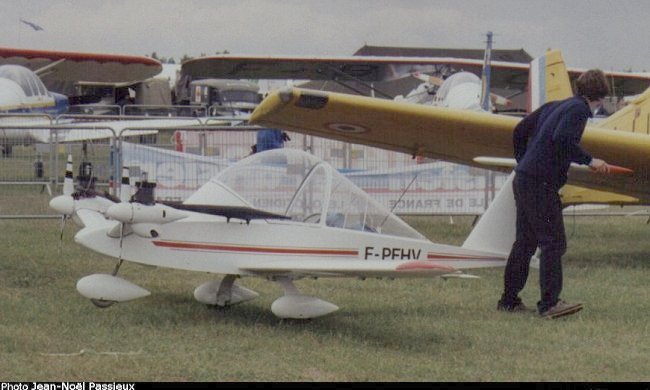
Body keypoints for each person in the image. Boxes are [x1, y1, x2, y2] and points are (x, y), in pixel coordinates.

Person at [497, 69, 611, 319]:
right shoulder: (580, 110)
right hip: (541, 184)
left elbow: (519, 130)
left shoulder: (554, 106)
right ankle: (549, 304)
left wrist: (524, 161)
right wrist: (590, 160)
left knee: (525, 242)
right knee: (553, 242)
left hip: (525, 178)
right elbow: (563, 139)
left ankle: (508, 300)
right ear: (600, 97)